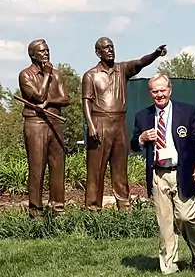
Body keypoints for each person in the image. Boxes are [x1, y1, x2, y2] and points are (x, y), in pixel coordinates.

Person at [130, 73, 195, 274]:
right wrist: (140, 138)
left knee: (185, 217)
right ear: (150, 93)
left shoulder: (188, 112)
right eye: (155, 91)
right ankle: (169, 267)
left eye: (162, 90)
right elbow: (133, 144)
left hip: (182, 172)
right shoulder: (143, 116)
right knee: (164, 223)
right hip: (158, 174)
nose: (159, 94)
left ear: (170, 90)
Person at [82, 37, 167, 210]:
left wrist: (155, 54)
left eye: (112, 46)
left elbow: (140, 62)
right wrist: (91, 125)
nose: (110, 50)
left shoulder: (122, 69)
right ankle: (92, 209)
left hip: (119, 123)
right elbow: (86, 101)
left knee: (120, 169)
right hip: (99, 122)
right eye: (106, 48)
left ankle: (124, 208)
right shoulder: (90, 75)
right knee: (96, 170)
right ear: (98, 52)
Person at [18, 39, 70, 218]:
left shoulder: (57, 74)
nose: (46, 53)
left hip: (54, 123)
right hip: (35, 124)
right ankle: (35, 211)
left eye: (47, 50)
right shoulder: (25, 75)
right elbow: (39, 96)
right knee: (37, 167)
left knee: (58, 167)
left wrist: (50, 101)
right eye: (41, 51)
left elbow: (66, 99)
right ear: (32, 55)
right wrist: (47, 75)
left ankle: (58, 209)